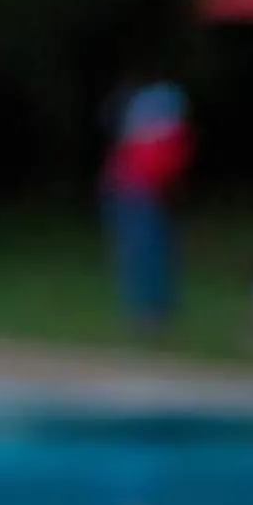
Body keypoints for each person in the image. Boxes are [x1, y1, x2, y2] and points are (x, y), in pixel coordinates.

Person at [100, 77, 192, 331]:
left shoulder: (160, 134)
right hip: (135, 194)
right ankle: (148, 312)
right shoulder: (154, 134)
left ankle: (153, 312)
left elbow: (167, 168)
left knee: (150, 255)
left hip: (144, 195)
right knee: (141, 255)